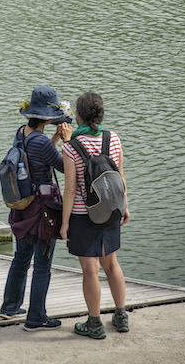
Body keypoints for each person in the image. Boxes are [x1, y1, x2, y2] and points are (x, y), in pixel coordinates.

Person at [0, 85, 73, 330]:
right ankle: (35, 317)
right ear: (49, 118)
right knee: (42, 264)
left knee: (21, 258)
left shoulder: (21, 133)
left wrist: (53, 136)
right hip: (41, 212)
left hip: (22, 207)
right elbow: (65, 166)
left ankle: (9, 307)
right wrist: (67, 140)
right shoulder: (43, 143)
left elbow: (37, 151)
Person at [60, 91, 130, 340]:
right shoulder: (113, 139)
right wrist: (125, 206)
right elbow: (120, 177)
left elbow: (70, 188)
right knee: (111, 264)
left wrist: (65, 222)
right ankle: (121, 317)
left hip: (83, 214)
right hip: (112, 208)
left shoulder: (70, 147)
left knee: (90, 269)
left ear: (78, 115)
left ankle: (94, 323)